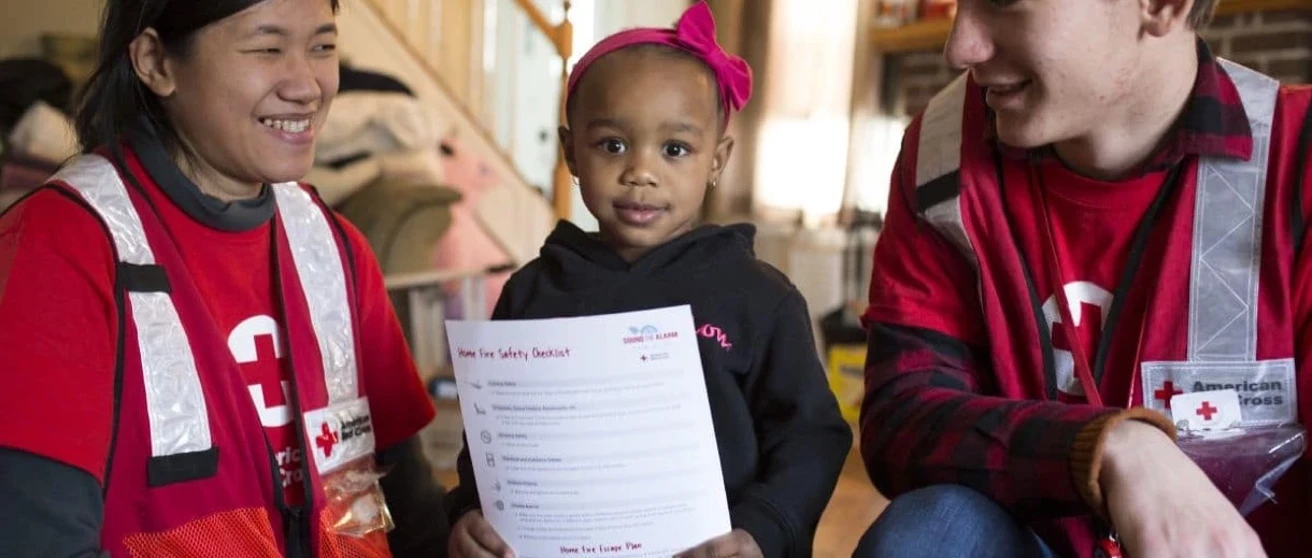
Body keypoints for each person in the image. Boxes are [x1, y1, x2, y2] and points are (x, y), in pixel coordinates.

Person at [855, 0, 1312, 556]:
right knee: (928, 533)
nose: (960, 47)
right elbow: (902, 417)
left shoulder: (1299, 159)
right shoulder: (941, 156)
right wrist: (1113, 448)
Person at [0, 0, 449, 556]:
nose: (307, 86)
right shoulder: (62, 245)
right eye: (267, 47)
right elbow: (36, 538)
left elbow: (410, 503)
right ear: (155, 62)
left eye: (323, 47)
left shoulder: (334, 248)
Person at [442, 3, 853, 558]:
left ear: (717, 160)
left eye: (675, 149)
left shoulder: (760, 298)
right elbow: (490, 439)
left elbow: (811, 436)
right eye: (613, 144)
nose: (641, 171)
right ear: (571, 154)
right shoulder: (532, 292)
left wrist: (760, 530)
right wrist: (468, 512)